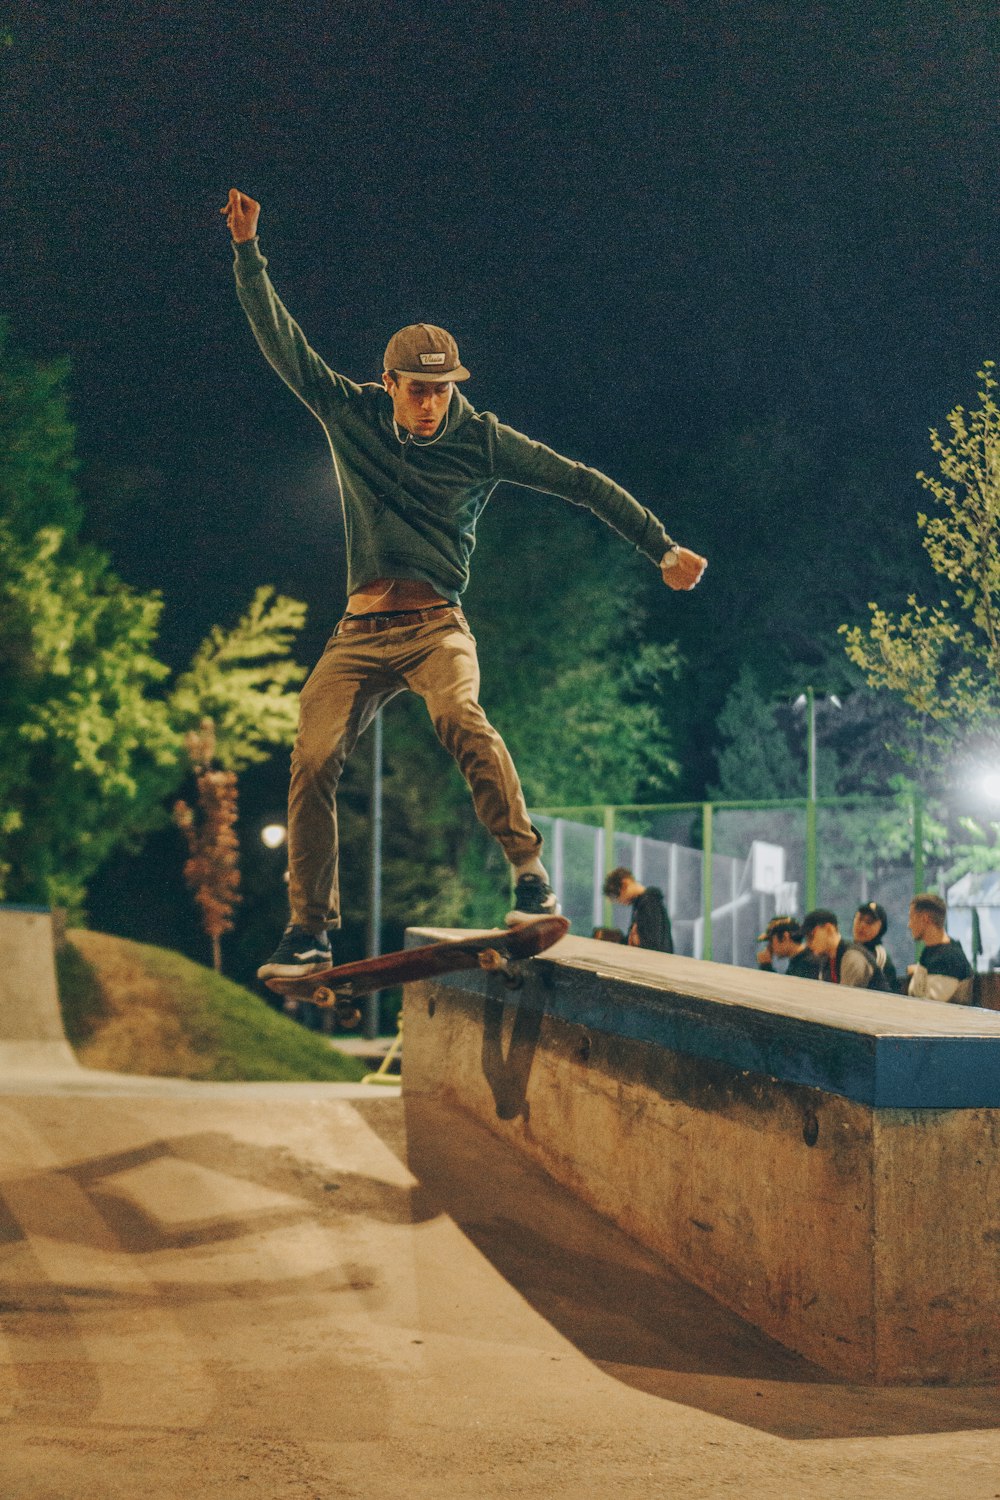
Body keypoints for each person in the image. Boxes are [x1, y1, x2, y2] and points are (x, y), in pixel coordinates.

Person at [221, 190, 707, 979]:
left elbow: (580, 482)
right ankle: (309, 929)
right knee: (312, 759)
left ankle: (529, 875)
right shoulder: (350, 414)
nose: (430, 404)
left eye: (441, 389)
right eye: (416, 389)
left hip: (437, 628)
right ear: (387, 383)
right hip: (357, 634)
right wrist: (249, 252)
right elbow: (285, 346)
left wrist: (661, 546)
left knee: (459, 715)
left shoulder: (483, 441)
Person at [906, 892, 973, 1002]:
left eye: (911, 917)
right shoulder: (930, 951)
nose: (909, 925)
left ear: (925, 919)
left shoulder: (949, 957)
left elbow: (932, 1009)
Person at [801, 908, 890, 990]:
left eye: (811, 936)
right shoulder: (827, 961)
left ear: (829, 929)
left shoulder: (852, 957)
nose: (808, 943)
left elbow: (846, 1001)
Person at [602, 867, 674, 952]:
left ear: (625, 885)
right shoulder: (641, 904)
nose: (620, 902)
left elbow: (654, 944)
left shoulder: (649, 903)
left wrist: (637, 942)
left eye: (617, 897)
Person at [852, 900, 899, 991]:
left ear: (880, 928)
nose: (862, 925)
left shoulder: (880, 958)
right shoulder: (848, 950)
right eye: (860, 919)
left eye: (869, 922)